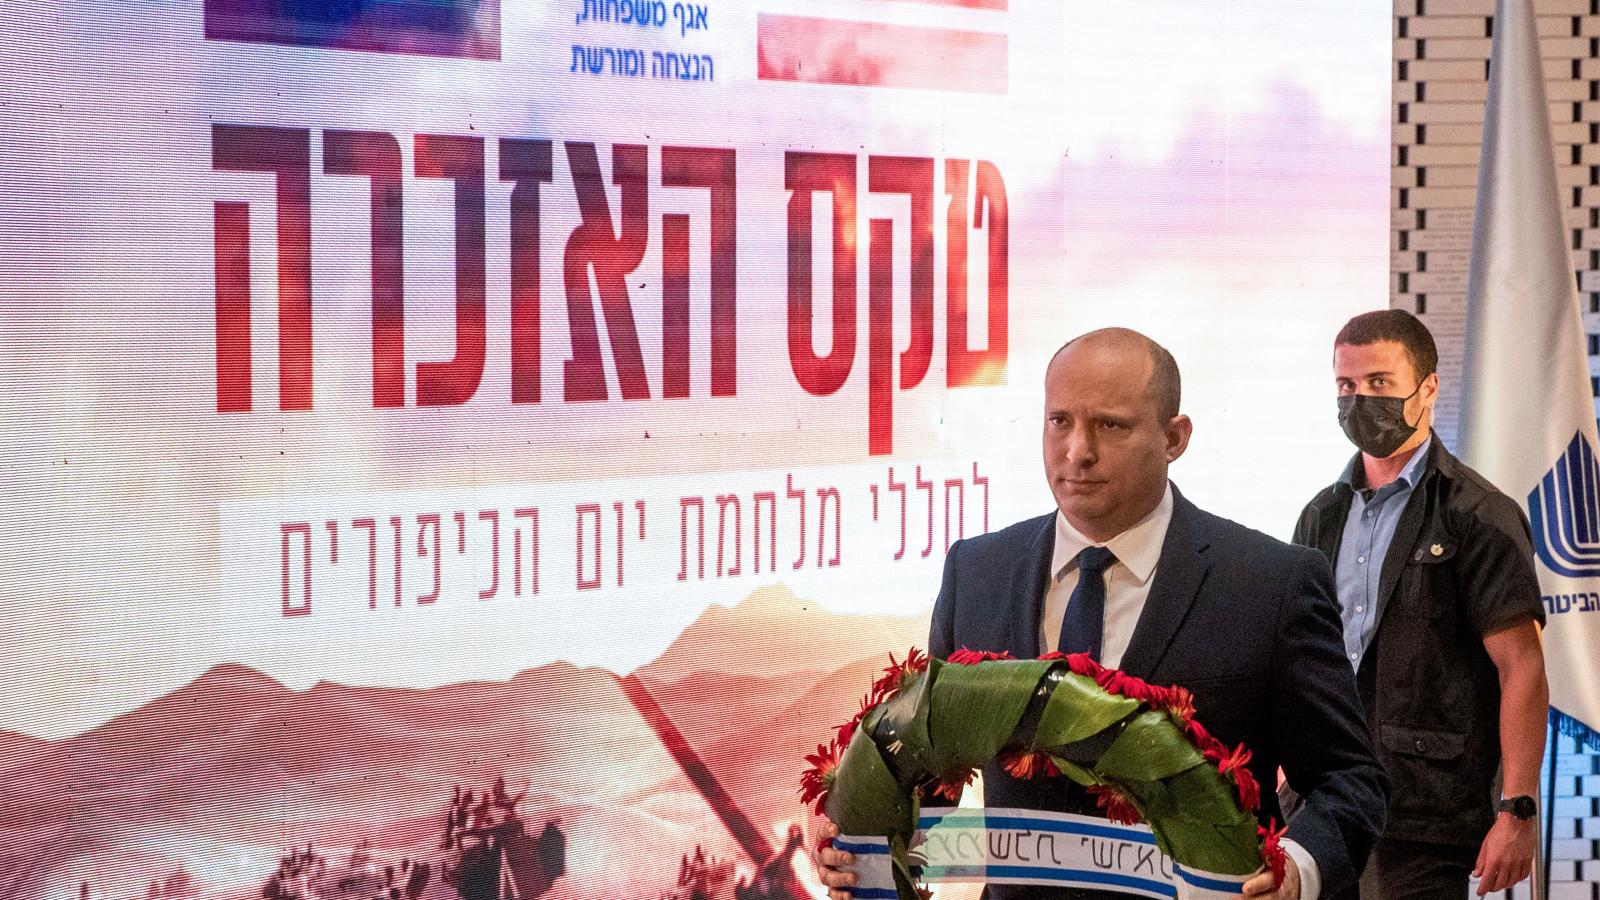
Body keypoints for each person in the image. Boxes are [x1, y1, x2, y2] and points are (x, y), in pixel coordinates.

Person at [815, 328, 1386, 900]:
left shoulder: (1270, 582)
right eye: (1059, 421)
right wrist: (854, 844)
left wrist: (1296, 872)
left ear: (1174, 438)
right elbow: (929, 755)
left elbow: (1350, 781)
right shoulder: (978, 571)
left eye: (1110, 425)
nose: (1077, 451)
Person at [1293, 310, 1549, 898]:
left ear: (1428, 387)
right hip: (1321, 807)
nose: (1360, 401)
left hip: (1426, 814)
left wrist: (1517, 810)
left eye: (1379, 383)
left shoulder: (1478, 515)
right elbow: (1300, 653)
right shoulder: (1321, 514)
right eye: (1346, 386)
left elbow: (1522, 668)